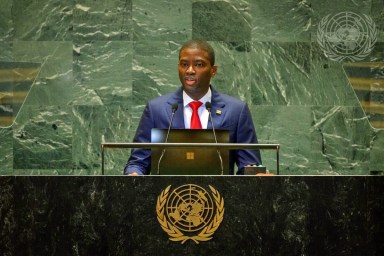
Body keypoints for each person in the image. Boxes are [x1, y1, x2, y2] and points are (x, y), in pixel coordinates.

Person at [124, 39, 261, 175]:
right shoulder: (156, 109)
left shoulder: (236, 111)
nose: (189, 70)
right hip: (168, 195)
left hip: (220, 195)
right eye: (184, 64)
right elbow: (138, 162)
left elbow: (249, 165)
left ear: (213, 71)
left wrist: (255, 174)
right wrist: (134, 175)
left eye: (199, 64)